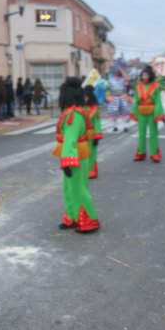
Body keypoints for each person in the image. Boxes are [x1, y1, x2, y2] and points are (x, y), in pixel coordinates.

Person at [54, 77, 100, 233]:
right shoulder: (76, 112)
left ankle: (89, 220)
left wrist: (67, 162)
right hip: (77, 155)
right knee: (70, 189)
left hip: (75, 158)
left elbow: (70, 141)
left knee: (77, 189)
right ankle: (73, 217)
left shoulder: (73, 115)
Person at [131, 65, 165, 162]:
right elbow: (137, 100)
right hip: (141, 111)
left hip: (152, 111)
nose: (144, 77)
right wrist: (134, 112)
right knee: (141, 133)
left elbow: (158, 100)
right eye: (143, 75)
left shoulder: (155, 86)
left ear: (150, 76)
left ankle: (154, 154)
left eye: (146, 75)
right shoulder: (138, 86)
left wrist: (158, 113)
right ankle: (141, 153)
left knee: (153, 133)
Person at [84, 85, 103, 179]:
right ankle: (83, 171)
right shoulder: (79, 108)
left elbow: (97, 122)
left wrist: (97, 135)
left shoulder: (95, 108)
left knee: (91, 153)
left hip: (91, 135)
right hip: (82, 135)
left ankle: (91, 171)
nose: (84, 99)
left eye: (86, 97)